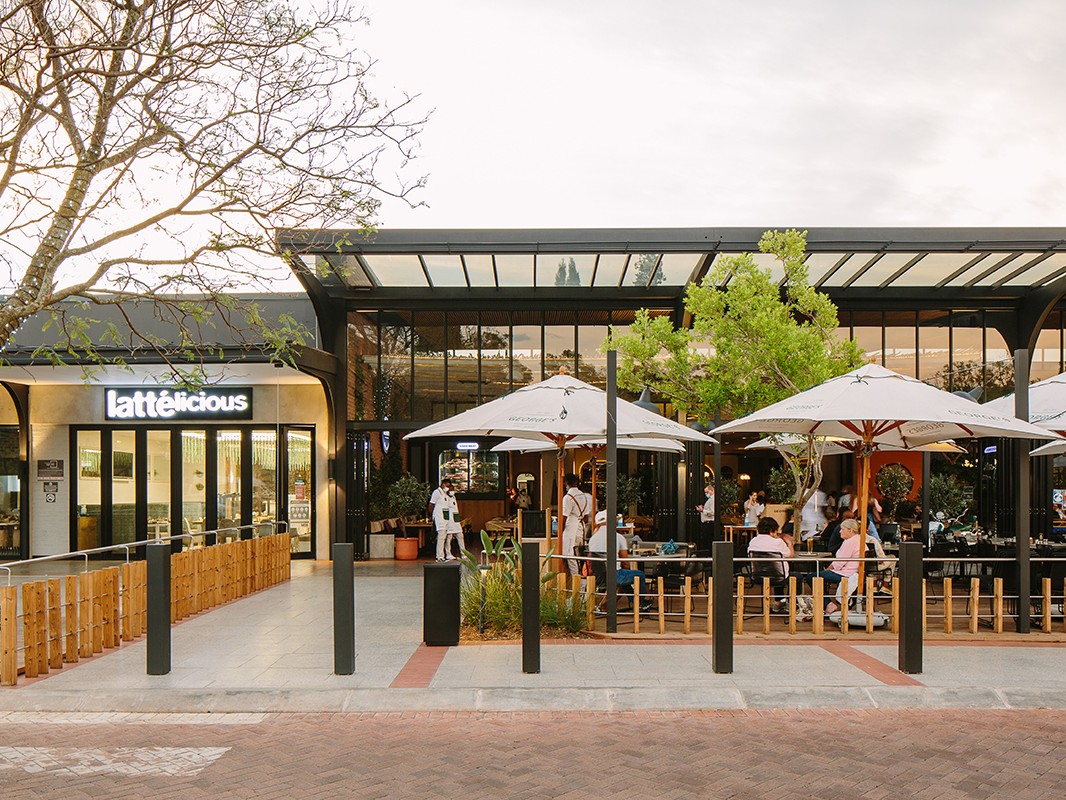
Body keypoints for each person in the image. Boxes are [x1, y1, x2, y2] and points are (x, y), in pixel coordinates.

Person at [588, 508, 649, 611]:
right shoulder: (618, 537)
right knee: (640, 575)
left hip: (599, 577)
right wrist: (627, 570)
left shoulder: (592, 539)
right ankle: (641, 602)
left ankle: (635, 602)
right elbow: (625, 563)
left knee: (625, 579)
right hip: (615, 575)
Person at [802, 518, 861, 614]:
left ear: (850, 530)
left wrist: (827, 570)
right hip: (852, 571)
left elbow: (839, 563)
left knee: (812, 577)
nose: (840, 531)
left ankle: (828, 603)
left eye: (842, 529)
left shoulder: (850, 542)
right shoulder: (858, 539)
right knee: (820, 575)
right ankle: (826, 603)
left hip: (846, 573)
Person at [560, 473, 590, 576]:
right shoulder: (584, 496)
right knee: (579, 553)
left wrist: (559, 530)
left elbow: (564, 517)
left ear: (565, 483)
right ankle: (582, 576)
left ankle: (575, 578)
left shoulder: (568, 497)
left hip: (571, 527)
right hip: (581, 527)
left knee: (569, 554)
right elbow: (586, 517)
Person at [428, 478, 463, 561]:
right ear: (443, 485)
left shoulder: (446, 494)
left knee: (445, 537)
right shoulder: (437, 492)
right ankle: (439, 556)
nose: (448, 488)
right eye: (446, 486)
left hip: (445, 518)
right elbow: (431, 505)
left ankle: (444, 555)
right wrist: (431, 516)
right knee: (441, 536)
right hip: (439, 518)